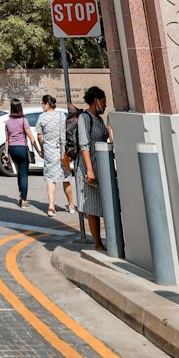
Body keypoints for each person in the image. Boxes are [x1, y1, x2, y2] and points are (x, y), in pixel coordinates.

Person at [75, 86, 110, 252]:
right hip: (88, 167)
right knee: (93, 207)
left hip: (101, 166)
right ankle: (97, 243)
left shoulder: (100, 120)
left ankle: (109, 238)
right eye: (104, 101)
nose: (106, 105)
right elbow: (84, 144)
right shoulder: (84, 118)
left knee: (105, 203)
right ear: (96, 101)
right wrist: (89, 169)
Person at [36, 94, 73, 215]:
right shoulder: (61, 115)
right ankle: (71, 205)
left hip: (49, 152)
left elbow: (40, 136)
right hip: (62, 152)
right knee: (66, 178)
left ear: (47, 104)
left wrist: (42, 149)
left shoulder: (42, 117)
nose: (42, 106)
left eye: (43, 103)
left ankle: (51, 207)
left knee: (51, 179)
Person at [3, 98, 39, 210]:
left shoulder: (8, 122)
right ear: (20, 108)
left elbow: (7, 139)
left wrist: (6, 153)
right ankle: (23, 200)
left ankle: (20, 195)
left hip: (13, 149)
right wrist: (39, 151)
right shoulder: (23, 120)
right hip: (22, 148)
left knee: (19, 172)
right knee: (24, 174)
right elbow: (30, 136)